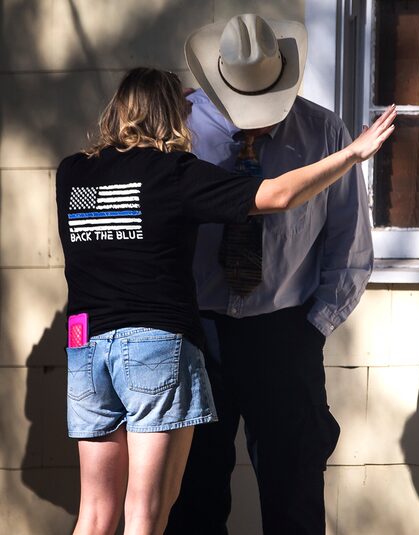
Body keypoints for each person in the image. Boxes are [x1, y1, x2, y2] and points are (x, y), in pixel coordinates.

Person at [56, 67, 395, 535]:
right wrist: (354, 154)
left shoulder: (71, 173)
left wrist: (309, 329)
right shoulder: (174, 173)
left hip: (86, 345)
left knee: (94, 512)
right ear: (178, 114)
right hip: (163, 343)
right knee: (151, 512)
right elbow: (275, 195)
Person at [166, 13, 373, 535]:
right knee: (193, 497)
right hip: (196, 333)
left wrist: (312, 328)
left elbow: (349, 243)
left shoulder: (324, 131)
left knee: (294, 493)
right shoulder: (177, 131)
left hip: (284, 333)